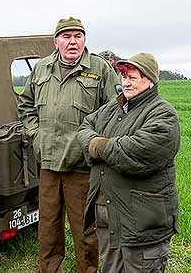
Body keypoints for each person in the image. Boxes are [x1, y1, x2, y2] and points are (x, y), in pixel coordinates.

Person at [18, 17, 121, 273]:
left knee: (85, 230)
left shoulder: (100, 69)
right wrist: (36, 136)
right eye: (66, 36)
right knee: (48, 227)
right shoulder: (41, 69)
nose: (72, 41)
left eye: (78, 36)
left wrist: (95, 146)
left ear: (84, 40)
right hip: (49, 165)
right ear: (56, 42)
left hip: (83, 167)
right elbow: (25, 106)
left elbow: (116, 112)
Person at [77, 53, 180, 273]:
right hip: (109, 217)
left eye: (133, 77)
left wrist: (98, 146)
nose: (126, 82)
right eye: (124, 76)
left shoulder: (163, 113)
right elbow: (84, 128)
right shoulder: (113, 109)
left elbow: (136, 152)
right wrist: (98, 143)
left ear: (150, 81)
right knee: (111, 269)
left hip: (141, 223)